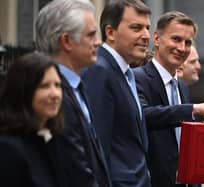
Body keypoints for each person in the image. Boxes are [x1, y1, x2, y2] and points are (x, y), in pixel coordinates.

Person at [134, 11, 204, 187]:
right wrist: (192, 109)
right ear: (157, 39)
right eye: (176, 39)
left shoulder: (182, 87)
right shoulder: (138, 78)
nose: (182, 48)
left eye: (188, 42)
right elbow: (143, 116)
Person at [35, 0, 111, 187]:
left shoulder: (77, 86)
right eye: (91, 35)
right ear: (67, 41)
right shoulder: (54, 96)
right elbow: (75, 167)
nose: (98, 42)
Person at [81, 0, 151, 186]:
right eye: (136, 28)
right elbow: (99, 147)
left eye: (147, 28)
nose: (146, 36)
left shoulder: (125, 72)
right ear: (110, 32)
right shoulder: (99, 71)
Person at [0, 52, 64, 187]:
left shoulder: (50, 139)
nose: (55, 94)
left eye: (57, 85)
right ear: (23, 90)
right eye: (44, 86)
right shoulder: (9, 150)